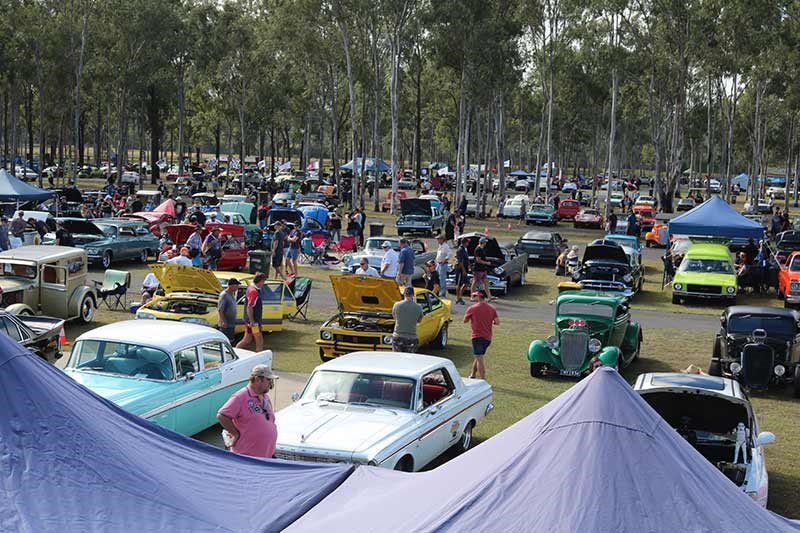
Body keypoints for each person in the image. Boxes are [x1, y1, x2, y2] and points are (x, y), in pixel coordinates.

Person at [216, 364, 278, 459]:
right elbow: (222, 415)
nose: (271, 383)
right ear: (257, 379)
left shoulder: (266, 397)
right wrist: (235, 433)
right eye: (268, 380)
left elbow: (269, 422)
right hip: (247, 459)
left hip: (267, 457)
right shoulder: (240, 397)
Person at [463, 289, 499, 380]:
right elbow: (497, 322)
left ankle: (483, 379)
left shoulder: (472, 308)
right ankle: (473, 374)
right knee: (479, 357)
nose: (473, 297)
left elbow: (465, 321)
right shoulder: (492, 308)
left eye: (475, 296)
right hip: (487, 338)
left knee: (479, 358)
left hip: (477, 337)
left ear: (479, 296)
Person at [237, 272, 266, 352]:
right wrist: (252, 321)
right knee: (259, 342)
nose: (263, 283)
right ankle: (259, 361)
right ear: (260, 281)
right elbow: (249, 307)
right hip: (254, 322)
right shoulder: (254, 292)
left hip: (249, 321)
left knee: (246, 340)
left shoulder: (250, 288)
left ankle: (235, 351)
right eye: (263, 281)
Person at [391, 286, 423, 353]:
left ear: (404, 294)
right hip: (411, 337)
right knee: (410, 361)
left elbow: (394, 316)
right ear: (413, 295)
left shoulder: (396, 305)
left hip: (397, 336)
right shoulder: (419, 307)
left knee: (397, 359)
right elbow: (419, 320)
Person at [455, 238, 470, 304]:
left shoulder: (465, 249)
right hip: (460, 269)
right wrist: (463, 270)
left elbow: (466, 258)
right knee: (459, 283)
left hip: (465, 268)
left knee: (466, 283)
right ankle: (458, 298)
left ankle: (460, 296)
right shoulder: (460, 250)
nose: (468, 244)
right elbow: (460, 261)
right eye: (467, 242)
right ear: (464, 242)